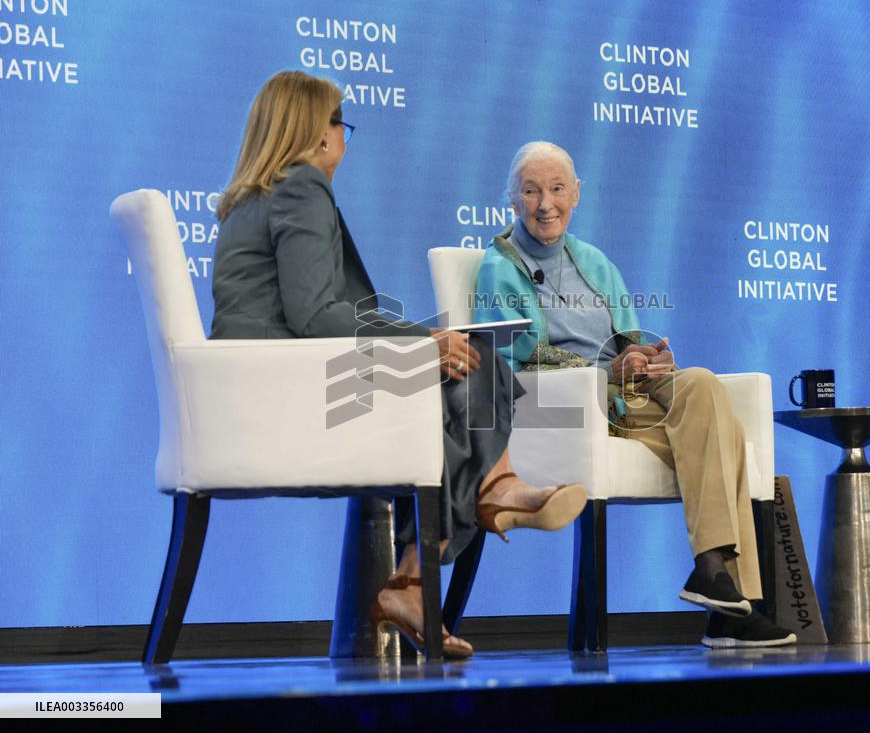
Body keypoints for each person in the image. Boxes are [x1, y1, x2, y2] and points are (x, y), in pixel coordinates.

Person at [210, 74, 586, 658]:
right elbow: (315, 315)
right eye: (342, 127)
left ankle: (428, 562)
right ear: (318, 135)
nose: (344, 141)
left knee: (462, 364)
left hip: (266, 383)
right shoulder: (301, 188)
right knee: (468, 359)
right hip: (292, 389)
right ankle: (472, 513)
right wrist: (421, 341)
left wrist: (425, 342)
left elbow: (307, 313)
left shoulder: (249, 199)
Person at [473, 141, 796, 648]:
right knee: (721, 441)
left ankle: (717, 582)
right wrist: (604, 372)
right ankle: (730, 602)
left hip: (627, 393)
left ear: (577, 193)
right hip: (570, 407)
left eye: (558, 189)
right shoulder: (499, 267)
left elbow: (626, 339)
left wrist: (645, 357)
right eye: (531, 191)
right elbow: (517, 356)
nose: (545, 204)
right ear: (512, 201)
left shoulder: (594, 261)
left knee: (703, 383)